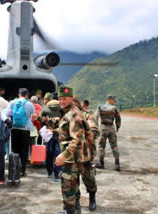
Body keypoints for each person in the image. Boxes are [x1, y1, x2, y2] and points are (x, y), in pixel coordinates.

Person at [56, 86, 97, 214]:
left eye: (65, 99)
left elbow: (77, 138)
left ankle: (75, 208)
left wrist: (64, 154)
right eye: (60, 99)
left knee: (72, 184)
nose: (62, 101)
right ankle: (74, 208)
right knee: (72, 184)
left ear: (72, 98)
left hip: (76, 156)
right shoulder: (67, 113)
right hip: (73, 156)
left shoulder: (74, 114)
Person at [6, 88, 35, 177]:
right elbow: (33, 117)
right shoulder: (30, 104)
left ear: (19, 95)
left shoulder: (12, 103)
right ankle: (23, 170)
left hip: (14, 129)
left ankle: (15, 169)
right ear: (27, 95)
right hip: (25, 130)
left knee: (15, 149)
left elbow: (7, 115)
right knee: (24, 150)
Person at [94, 95, 121, 171]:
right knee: (114, 145)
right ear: (110, 100)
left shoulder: (100, 106)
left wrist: (95, 127)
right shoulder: (114, 108)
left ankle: (101, 163)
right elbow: (118, 118)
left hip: (103, 127)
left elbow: (95, 116)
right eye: (113, 101)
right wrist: (118, 127)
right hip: (111, 127)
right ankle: (117, 164)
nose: (114, 102)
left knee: (101, 145)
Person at [39, 93, 62, 182]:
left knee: (48, 153)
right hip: (59, 134)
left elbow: (40, 118)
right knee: (58, 154)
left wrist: (46, 122)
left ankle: (49, 172)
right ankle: (57, 175)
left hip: (48, 135)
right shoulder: (62, 108)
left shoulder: (45, 108)